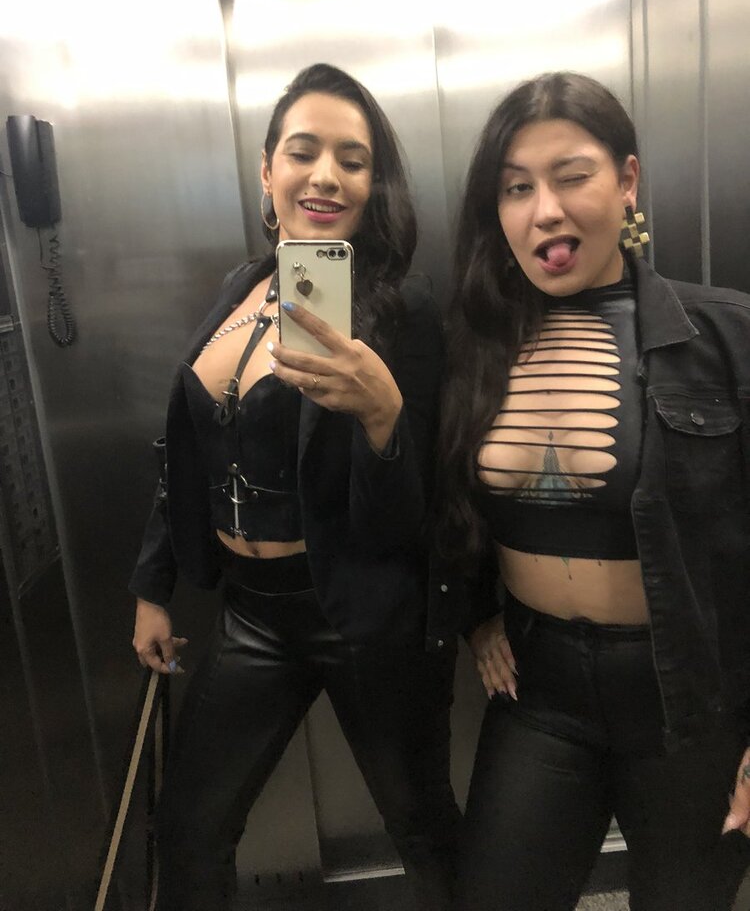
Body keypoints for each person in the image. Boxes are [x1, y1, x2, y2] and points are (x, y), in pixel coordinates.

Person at [129, 63, 460, 911]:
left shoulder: (403, 310)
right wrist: (153, 586)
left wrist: (384, 416)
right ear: (267, 170)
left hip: (363, 613)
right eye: (304, 151)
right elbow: (187, 453)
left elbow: (421, 510)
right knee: (190, 827)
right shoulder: (238, 289)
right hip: (252, 613)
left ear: (374, 184)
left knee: (421, 827)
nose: (326, 175)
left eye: (353, 159)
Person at [437, 72, 750, 911]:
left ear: (627, 181)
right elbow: (449, 508)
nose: (545, 210)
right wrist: (478, 616)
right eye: (516, 188)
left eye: (571, 176)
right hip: (539, 693)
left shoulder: (727, 334)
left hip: (688, 698)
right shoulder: (476, 345)